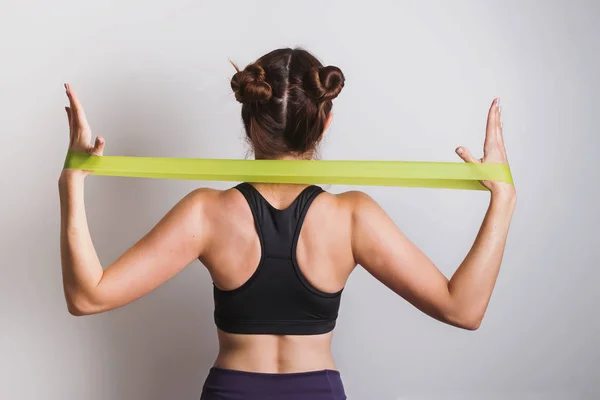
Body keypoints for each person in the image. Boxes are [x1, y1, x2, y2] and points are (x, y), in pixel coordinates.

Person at [58, 47, 516, 400]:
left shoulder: (206, 213)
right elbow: (463, 309)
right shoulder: (353, 217)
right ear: (325, 121)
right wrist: (504, 197)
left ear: (249, 118)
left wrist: (72, 181)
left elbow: (88, 295)